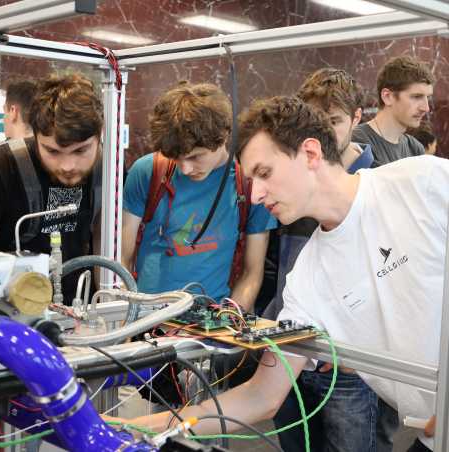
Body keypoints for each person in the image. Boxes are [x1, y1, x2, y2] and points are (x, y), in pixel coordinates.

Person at [120, 96, 445, 452]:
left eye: (264, 173)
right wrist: (131, 426)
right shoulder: (307, 279)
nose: (256, 195)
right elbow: (262, 395)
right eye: (250, 180)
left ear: (310, 153)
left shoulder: (422, 182)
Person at [264, 69, 380, 452]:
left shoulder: (379, 184)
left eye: (334, 121)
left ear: (357, 117)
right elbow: (280, 264)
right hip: (294, 343)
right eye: (316, 122)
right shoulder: (290, 176)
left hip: (348, 366)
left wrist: (356, 350)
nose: (325, 133)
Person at [122, 82, 276, 311]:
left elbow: (252, 273)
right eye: (176, 157)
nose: (185, 169)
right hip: (144, 324)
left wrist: (228, 324)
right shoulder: (148, 172)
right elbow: (120, 261)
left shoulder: (252, 185)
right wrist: (126, 320)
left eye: (196, 157)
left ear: (224, 136)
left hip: (212, 327)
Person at [0, 73, 103, 304]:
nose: (67, 166)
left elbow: (105, 252)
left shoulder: (107, 171)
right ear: (35, 135)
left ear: (99, 137)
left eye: (80, 151)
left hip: (81, 313)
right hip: (8, 313)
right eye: (53, 151)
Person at [352, 56, 433, 164]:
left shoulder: (415, 148)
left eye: (428, 97)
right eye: (416, 97)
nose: (426, 108)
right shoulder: (357, 142)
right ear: (387, 97)